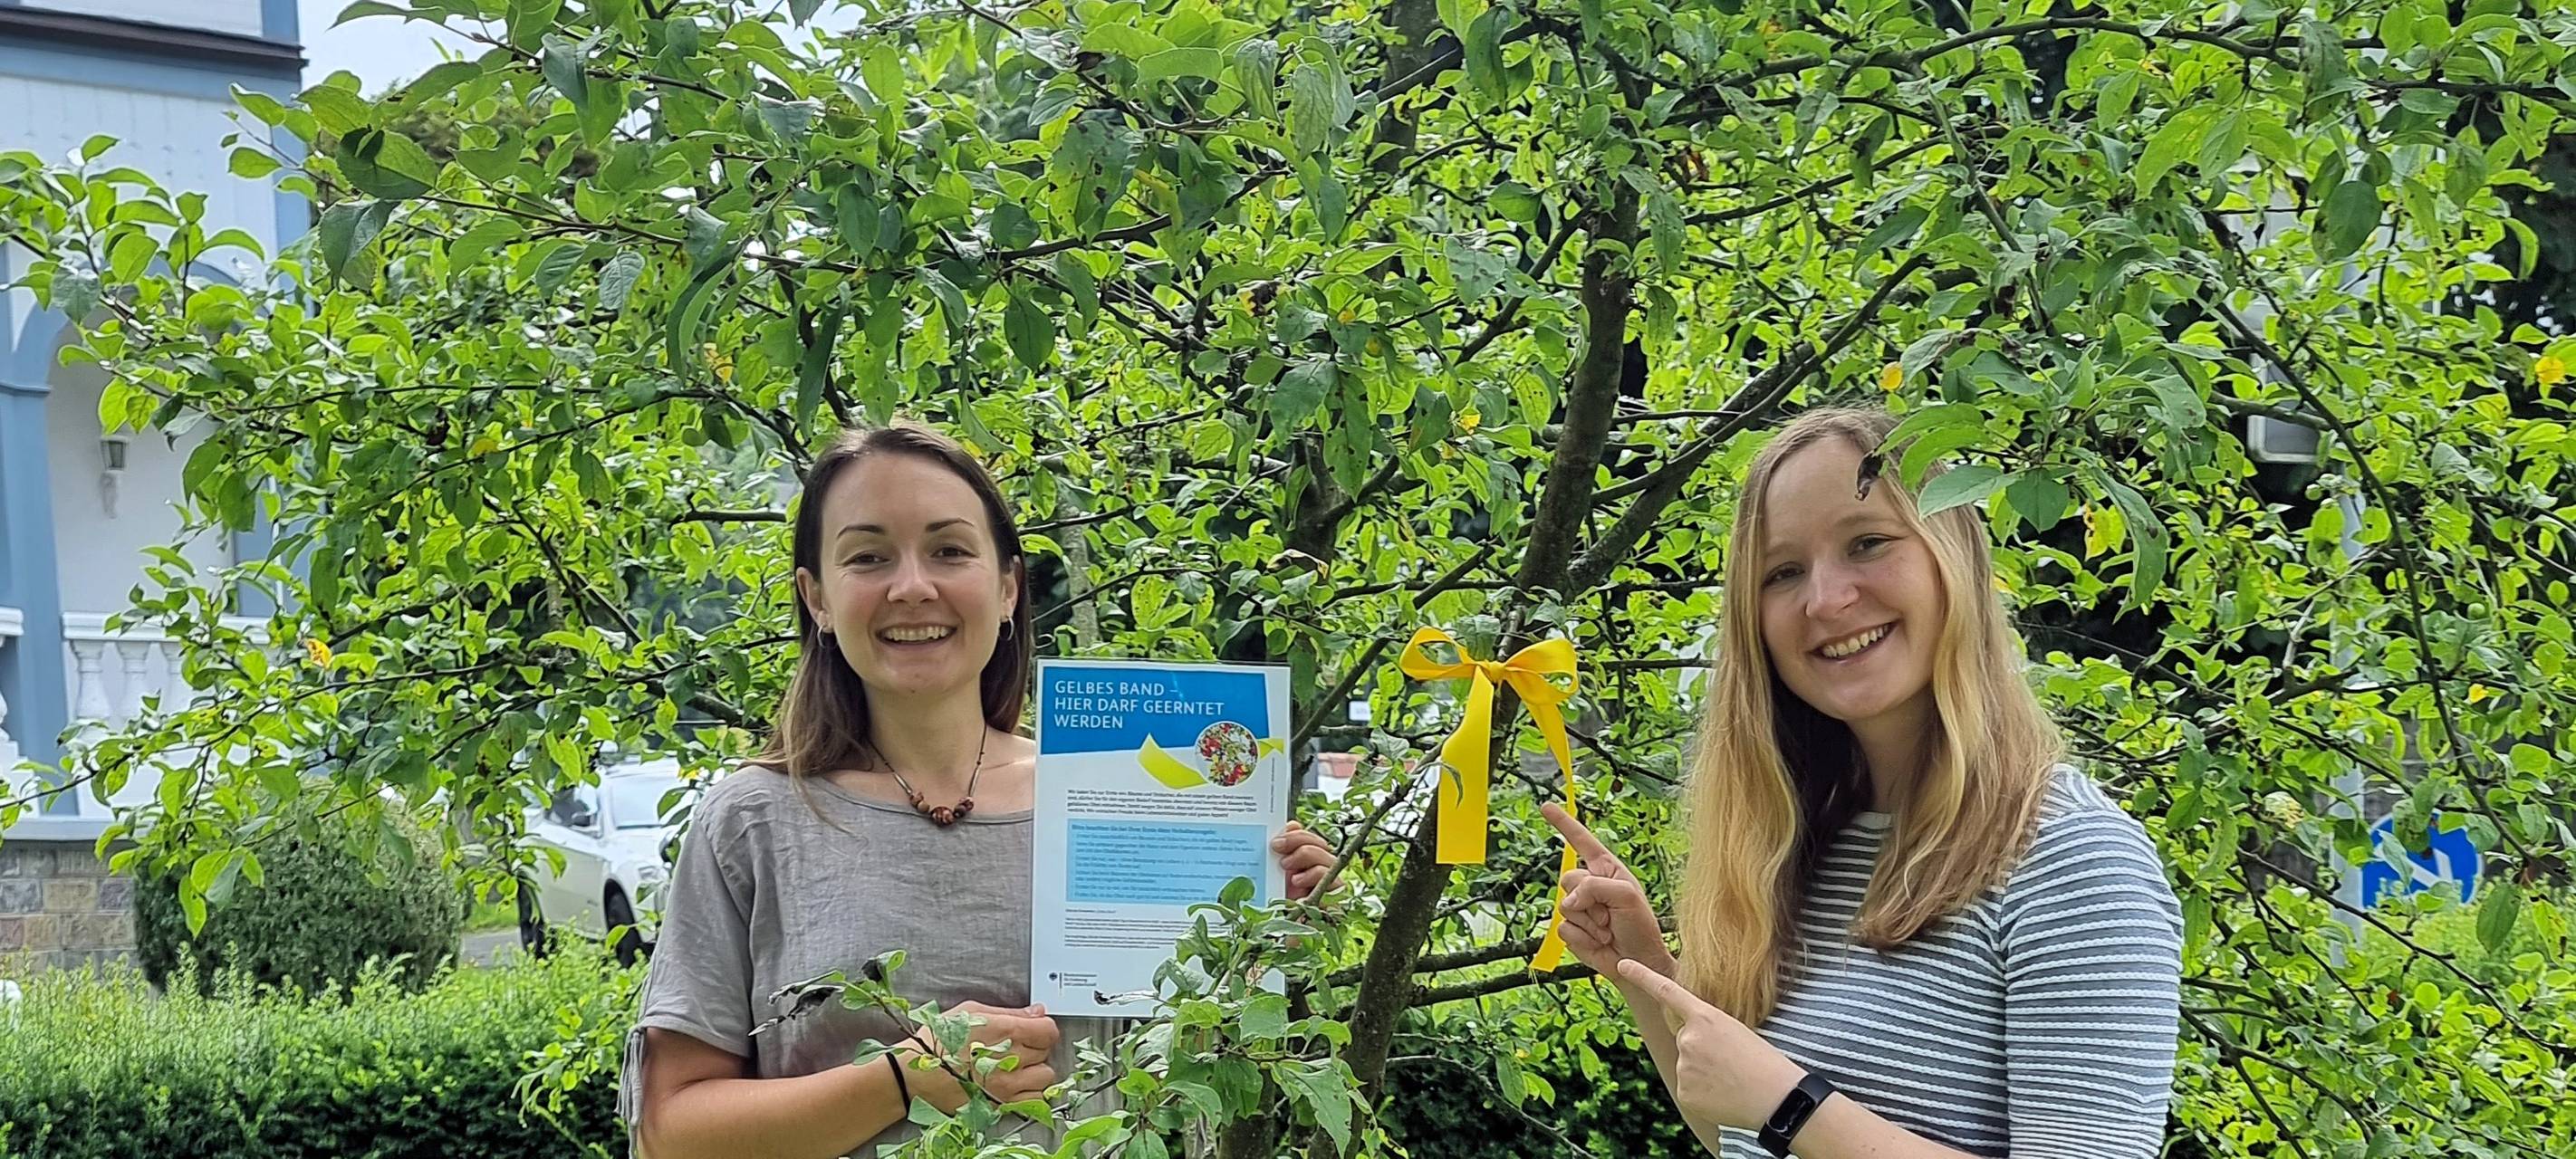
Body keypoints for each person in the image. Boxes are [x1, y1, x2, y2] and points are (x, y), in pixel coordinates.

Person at [620, 423, 1337, 1159]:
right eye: (867, 557)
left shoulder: (1117, 798)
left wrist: (1263, 924)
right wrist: (907, 1079)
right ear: (818, 599)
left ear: (1006, 587)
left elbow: (1199, 1063)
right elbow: (670, 1134)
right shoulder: (754, 820)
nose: (912, 586)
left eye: (949, 550)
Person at [1544, 406, 2183, 1157]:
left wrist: (1792, 1105)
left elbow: (1783, 1118)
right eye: (1782, 572)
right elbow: (1747, 1137)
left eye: (1868, 543)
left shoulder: (2074, 862)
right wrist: (1646, 972)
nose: (1825, 599)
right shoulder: (1806, 845)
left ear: (1955, 560)